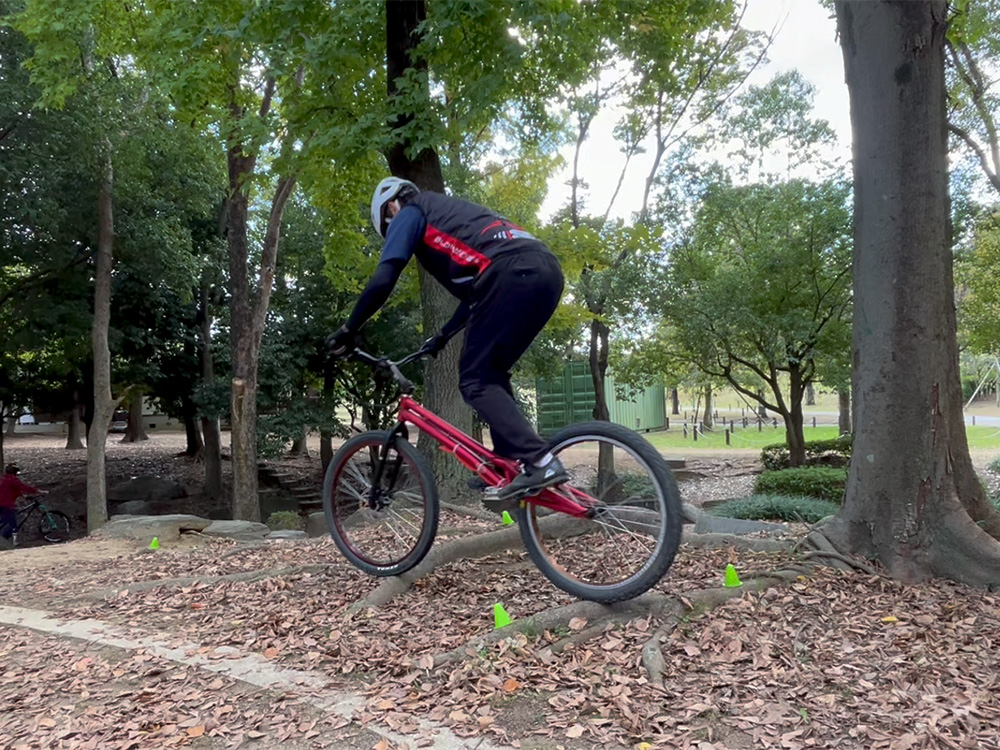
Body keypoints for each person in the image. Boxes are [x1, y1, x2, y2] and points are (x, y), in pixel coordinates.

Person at [327, 177, 567, 506]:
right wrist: (441, 337)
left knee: (475, 380)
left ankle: (539, 461)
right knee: (491, 373)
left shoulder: (411, 211)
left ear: (391, 208)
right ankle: (512, 463)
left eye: (389, 226)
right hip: (544, 272)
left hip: (510, 273)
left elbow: (384, 278)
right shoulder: (453, 219)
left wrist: (348, 328)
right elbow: (474, 298)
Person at [0, 463, 43, 547]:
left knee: (6, 520)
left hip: (3, 503)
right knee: (13, 523)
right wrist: (38, 491)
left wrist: (23, 495)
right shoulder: (13, 479)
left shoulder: (4, 479)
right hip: (5, 504)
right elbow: (23, 486)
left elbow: (13, 489)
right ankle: (13, 542)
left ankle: (5, 538)